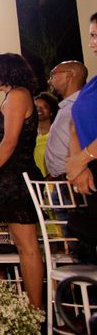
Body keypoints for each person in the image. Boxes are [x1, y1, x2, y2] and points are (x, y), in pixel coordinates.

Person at [0, 53, 44, 309]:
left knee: (27, 246)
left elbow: (10, 141)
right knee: (21, 245)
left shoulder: (18, 95)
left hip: (19, 176)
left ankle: (36, 311)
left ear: (5, 71)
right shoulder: (11, 96)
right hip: (10, 177)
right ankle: (30, 305)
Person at [64, 13, 97, 262]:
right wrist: (78, 165)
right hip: (90, 168)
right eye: (91, 36)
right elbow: (74, 125)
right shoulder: (92, 84)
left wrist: (83, 158)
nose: (91, 43)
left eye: (95, 36)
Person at [45, 60, 87, 179]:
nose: (49, 80)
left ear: (69, 75)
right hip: (62, 180)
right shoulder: (66, 107)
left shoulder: (83, 105)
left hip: (77, 177)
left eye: (53, 75)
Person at [33, 92, 58, 177]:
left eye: (44, 107)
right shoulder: (28, 136)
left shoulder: (56, 134)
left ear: (51, 112)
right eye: (35, 107)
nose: (39, 109)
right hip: (33, 185)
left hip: (53, 185)